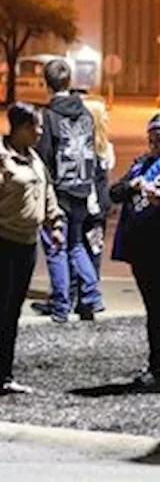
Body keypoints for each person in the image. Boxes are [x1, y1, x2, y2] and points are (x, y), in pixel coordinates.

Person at [109, 114, 160, 391]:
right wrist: (133, 185)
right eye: (152, 135)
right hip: (142, 250)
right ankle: (155, 368)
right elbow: (114, 193)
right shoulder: (141, 165)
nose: (157, 141)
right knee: (155, 311)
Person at [0, 103, 65, 394]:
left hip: (27, 245)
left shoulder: (34, 158)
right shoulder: (3, 160)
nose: (40, 132)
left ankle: (5, 374)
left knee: (12, 311)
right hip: (3, 243)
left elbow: (47, 191)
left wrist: (56, 223)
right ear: (20, 128)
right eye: (35, 127)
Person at [32, 59, 102, 323]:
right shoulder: (85, 113)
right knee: (75, 245)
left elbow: (44, 157)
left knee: (55, 247)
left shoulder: (49, 116)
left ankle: (60, 304)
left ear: (47, 84)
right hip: (82, 188)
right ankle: (93, 295)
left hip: (59, 191)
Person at [82, 98, 114, 281]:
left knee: (77, 247)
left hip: (85, 204)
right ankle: (92, 287)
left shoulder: (83, 148)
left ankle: (83, 290)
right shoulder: (106, 148)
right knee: (94, 248)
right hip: (100, 208)